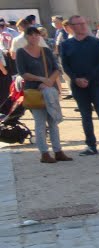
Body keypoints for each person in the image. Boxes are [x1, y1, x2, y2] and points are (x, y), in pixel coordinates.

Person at [60, 15, 99, 155]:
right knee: (85, 115)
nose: (83, 26)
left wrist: (88, 78)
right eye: (78, 24)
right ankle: (91, 145)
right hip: (77, 85)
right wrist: (76, 79)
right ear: (71, 27)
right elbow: (65, 65)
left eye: (84, 23)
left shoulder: (96, 42)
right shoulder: (66, 45)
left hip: (96, 83)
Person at [16, 26, 71, 163]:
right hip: (34, 92)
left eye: (36, 35)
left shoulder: (45, 51)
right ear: (26, 37)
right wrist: (41, 79)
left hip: (49, 90)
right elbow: (23, 73)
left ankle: (58, 151)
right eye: (31, 35)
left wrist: (48, 82)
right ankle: (44, 153)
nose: (34, 37)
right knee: (40, 123)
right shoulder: (21, 52)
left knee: (53, 122)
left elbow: (56, 69)